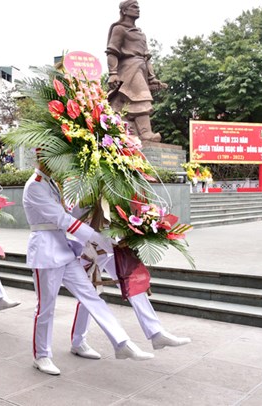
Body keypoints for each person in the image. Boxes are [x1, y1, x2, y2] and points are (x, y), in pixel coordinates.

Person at [23, 163, 153, 375]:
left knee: (91, 296)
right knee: (46, 307)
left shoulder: (51, 182)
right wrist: (98, 239)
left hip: (63, 250)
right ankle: (42, 355)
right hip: (45, 253)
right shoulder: (35, 185)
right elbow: (62, 219)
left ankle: (122, 343)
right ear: (43, 158)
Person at [71, 251, 191, 353]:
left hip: (114, 246)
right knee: (88, 296)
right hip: (92, 248)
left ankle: (156, 332)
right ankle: (78, 342)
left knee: (133, 285)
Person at [106, 0, 166, 142]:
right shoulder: (119, 29)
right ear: (124, 11)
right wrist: (113, 73)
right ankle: (146, 134)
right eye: (134, 7)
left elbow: (147, 57)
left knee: (127, 103)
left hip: (141, 68)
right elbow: (112, 51)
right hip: (128, 68)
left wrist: (152, 78)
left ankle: (129, 133)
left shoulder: (141, 33)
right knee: (141, 98)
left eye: (138, 7)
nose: (138, 9)